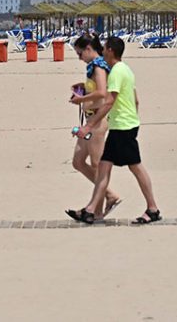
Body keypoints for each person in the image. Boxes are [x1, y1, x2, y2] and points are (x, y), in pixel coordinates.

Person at [67, 36, 161, 225]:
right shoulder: (122, 69)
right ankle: (92, 210)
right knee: (103, 167)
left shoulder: (115, 71)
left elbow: (108, 99)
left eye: (105, 47)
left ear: (110, 50)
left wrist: (88, 125)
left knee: (135, 167)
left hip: (123, 126)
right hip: (121, 125)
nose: (103, 50)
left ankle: (153, 208)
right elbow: (135, 98)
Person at [65, 34, 123, 219]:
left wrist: (81, 99)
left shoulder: (98, 65)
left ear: (89, 49)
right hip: (89, 120)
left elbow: (101, 93)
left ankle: (97, 207)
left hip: (97, 121)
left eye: (80, 53)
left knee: (97, 164)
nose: (79, 58)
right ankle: (107, 195)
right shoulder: (93, 66)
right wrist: (83, 86)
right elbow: (96, 88)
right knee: (78, 161)